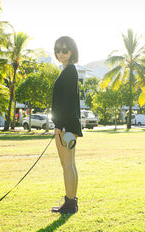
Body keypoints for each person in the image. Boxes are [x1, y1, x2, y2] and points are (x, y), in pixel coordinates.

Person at [51, 36, 83, 214]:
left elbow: (68, 103)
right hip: (68, 125)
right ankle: (71, 202)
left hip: (66, 127)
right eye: (58, 50)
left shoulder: (70, 71)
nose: (61, 53)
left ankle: (70, 204)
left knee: (67, 165)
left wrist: (60, 124)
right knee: (69, 164)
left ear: (72, 51)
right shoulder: (68, 71)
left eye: (65, 50)